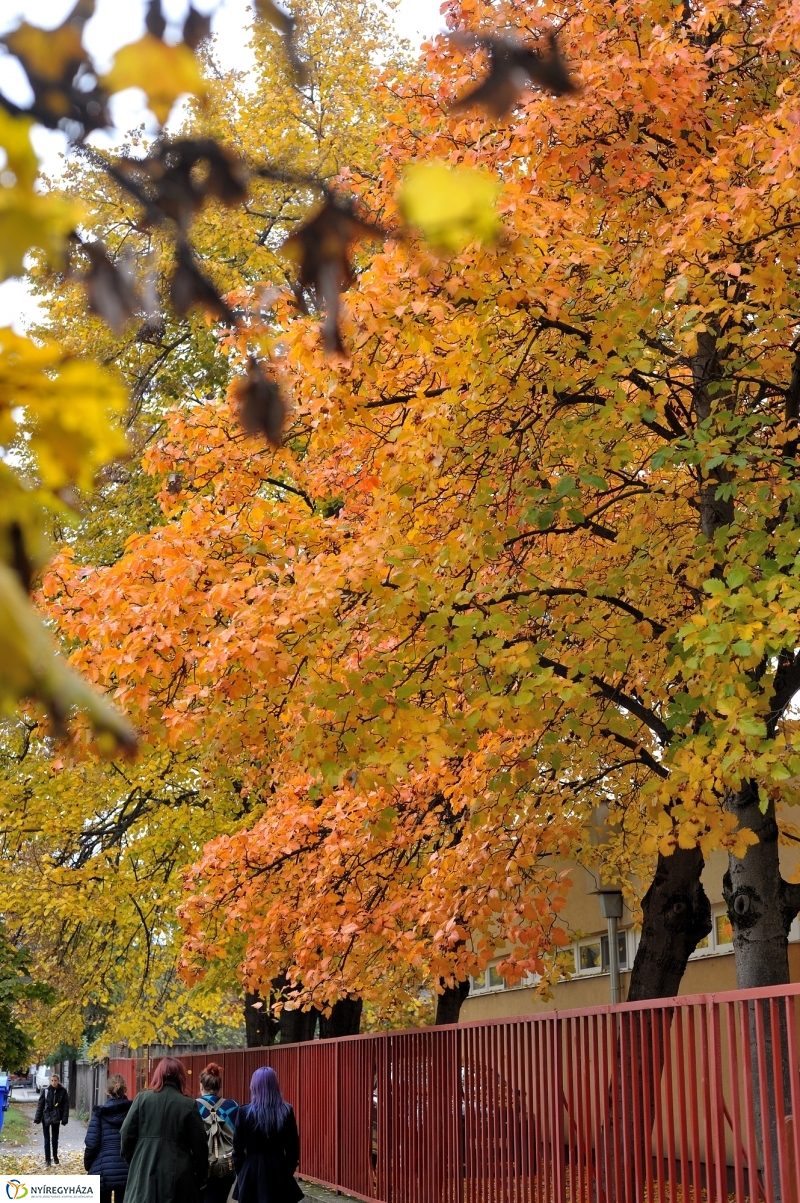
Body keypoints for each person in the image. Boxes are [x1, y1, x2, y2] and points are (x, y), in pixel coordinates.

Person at [120, 1057, 208, 1203]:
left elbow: (125, 1134)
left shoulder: (142, 1099)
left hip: (144, 1170)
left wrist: (136, 1159)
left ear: (158, 1074)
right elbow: (200, 1146)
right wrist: (201, 1177)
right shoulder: (188, 1104)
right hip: (178, 1175)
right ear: (180, 1077)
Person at [233, 1067, 303, 1203]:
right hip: (278, 1170)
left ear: (254, 1086)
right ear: (275, 1085)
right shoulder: (286, 1111)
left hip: (251, 1171)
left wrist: (243, 1172)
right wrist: (286, 1172)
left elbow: (237, 1149)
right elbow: (293, 1149)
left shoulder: (243, 1112)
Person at [84, 1073, 133, 1203]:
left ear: (107, 1090)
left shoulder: (99, 1114)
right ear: (125, 1089)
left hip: (102, 1168)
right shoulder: (133, 1113)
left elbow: (92, 1143)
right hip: (127, 1168)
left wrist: (89, 1165)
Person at [196, 1061, 238, 1203]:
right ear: (220, 1086)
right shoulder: (232, 1106)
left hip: (200, 1168)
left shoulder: (192, 1106)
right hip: (226, 1167)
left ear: (201, 1085)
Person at [34, 1073, 68, 1167]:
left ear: (58, 1081)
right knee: (46, 1139)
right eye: (52, 1080)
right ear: (50, 1081)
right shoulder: (45, 1091)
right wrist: (37, 1119)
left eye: (55, 1080)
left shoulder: (63, 1091)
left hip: (56, 1117)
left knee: (55, 1139)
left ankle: (55, 1156)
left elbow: (66, 1106)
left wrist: (64, 1119)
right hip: (46, 1117)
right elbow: (40, 1105)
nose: (54, 1082)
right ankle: (47, 1159)